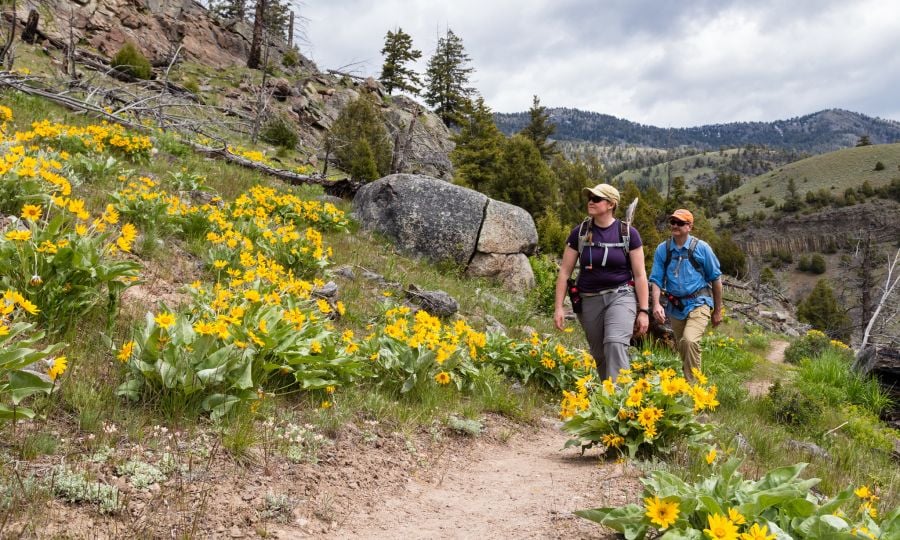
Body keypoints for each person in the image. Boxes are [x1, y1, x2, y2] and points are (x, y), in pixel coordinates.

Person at [554, 183, 650, 381]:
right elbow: (564, 272)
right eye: (590, 197)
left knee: (615, 343)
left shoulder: (629, 234)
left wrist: (643, 311)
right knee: (599, 353)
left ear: (611, 204)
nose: (591, 201)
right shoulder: (579, 233)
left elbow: (640, 275)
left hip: (621, 295)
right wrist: (558, 308)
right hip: (589, 300)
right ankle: (608, 399)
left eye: (597, 199)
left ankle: (622, 401)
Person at [649, 209, 723, 382]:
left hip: (699, 302)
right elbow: (656, 280)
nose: (675, 226)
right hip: (676, 307)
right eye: (673, 222)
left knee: (689, 341)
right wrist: (657, 305)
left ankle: (694, 390)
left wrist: (718, 310)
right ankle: (690, 383)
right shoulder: (663, 250)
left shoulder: (702, 248)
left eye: (680, 223)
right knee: (683, 346)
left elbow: (716, 279)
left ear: (689, 226)